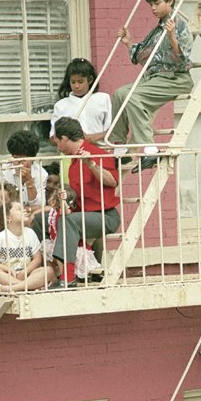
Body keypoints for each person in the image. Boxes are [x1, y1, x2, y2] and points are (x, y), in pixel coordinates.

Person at [113, 0, 193, 146]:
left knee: (133, 97)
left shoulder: (179, 26)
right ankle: (118, 144)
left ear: (170, 0)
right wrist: (128, 42)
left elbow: (183, 61)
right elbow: (145, 57)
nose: (153, 8)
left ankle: (148, 148)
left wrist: (172, 38)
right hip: (154, 78)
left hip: (175, 78)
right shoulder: (158, 29)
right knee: (120, 94)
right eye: (151, 4)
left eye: (157, 3)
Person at [49, 117, 120, 280]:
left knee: (69, 221)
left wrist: (92, 165)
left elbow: (113, 181)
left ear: (65, 139)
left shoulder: (97, 154)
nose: (58, 146)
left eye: (57, 142)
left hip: (105, 215)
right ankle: (46, 273)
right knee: (43, 219)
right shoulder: (73, 162)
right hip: (83, 214)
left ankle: (67, 277)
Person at [0, 200, 51, 294]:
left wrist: (25, 272)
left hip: (28, 274)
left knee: (48, 270)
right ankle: (29, 286)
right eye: (19, 209)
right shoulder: (1, 237)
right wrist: (8, 269)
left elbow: (37, 259)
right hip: (9, 276)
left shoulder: (30, 233)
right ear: (8, 218)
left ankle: (12, 288)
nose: (24, 210)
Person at [49, 58, 112, 142]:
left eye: (80, 82)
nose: (77, 86)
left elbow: (114, 130)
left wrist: (94, 137)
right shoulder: (60, 106)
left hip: (99, 150)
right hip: (72, 152)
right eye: (73, 82)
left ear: (90, 80)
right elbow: (53, 138)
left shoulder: (103, 99)